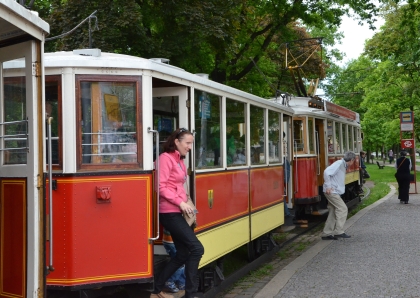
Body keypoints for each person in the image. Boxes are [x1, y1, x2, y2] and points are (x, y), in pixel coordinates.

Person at [151, 128, 204, 298]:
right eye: (187, 143)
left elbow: (177, 185)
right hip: (169, 212)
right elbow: (161, 186)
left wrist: (185, 202)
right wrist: (180, 202)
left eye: (191, 143)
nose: (190, 147)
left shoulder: (179, 160)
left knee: (182, 254)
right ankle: (191, 294)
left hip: (176, 211)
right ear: (176, 142)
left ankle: (156, 290)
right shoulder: (165, 159)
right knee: (196, 248)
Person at [321, 151, 356, 240]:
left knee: (333, 211)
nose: (353, 163)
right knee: (343, 209)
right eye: (353, 161)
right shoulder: (339, 163)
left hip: (334, 191)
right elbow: (326, 172)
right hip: (332, 192)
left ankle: (326, 233)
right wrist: (328, 186)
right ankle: (338, 231)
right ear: (351, 160)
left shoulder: (342, 165)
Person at [162, 229, 186, 293]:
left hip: (170, 240)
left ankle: (182, 284)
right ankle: (169, 281)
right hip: (173, 241)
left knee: (181, 262)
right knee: (180, 263)